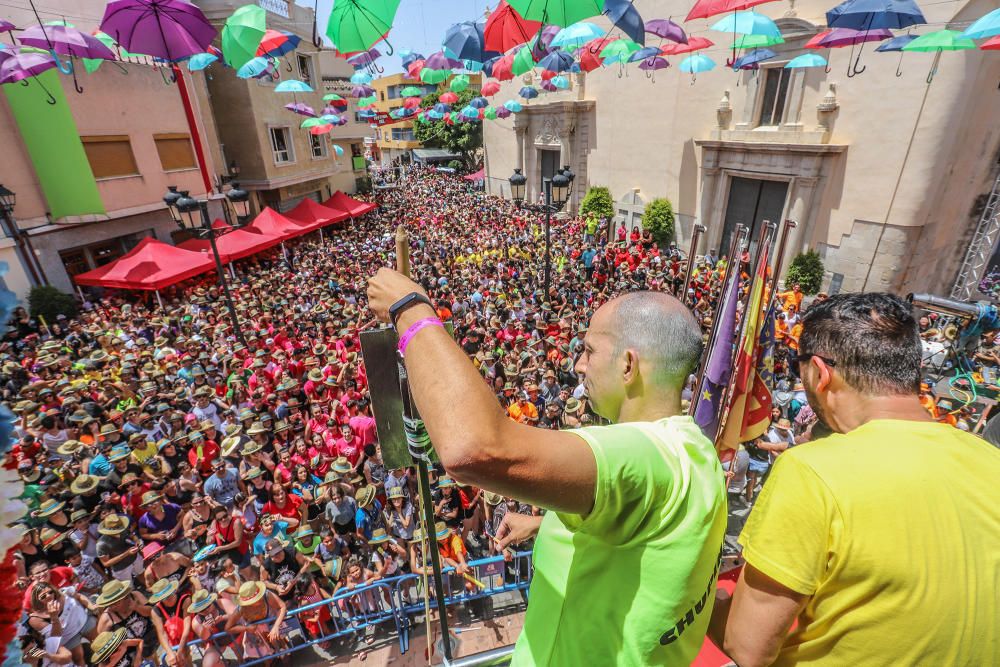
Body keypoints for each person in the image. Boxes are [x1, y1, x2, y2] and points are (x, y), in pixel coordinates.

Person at [368, 273, 727, 665]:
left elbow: (473, 449)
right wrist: (545, 525)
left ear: (628, 365)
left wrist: (411, 310)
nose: (578, 364)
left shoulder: (640, 453)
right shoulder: (693, 450)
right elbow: (646, 540)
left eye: (589, 351)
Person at [709, 293, 1000, 666]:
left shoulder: (812, 470)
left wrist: (702, 596)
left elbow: (748, 646)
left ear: (819, 371)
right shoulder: (990, 462)